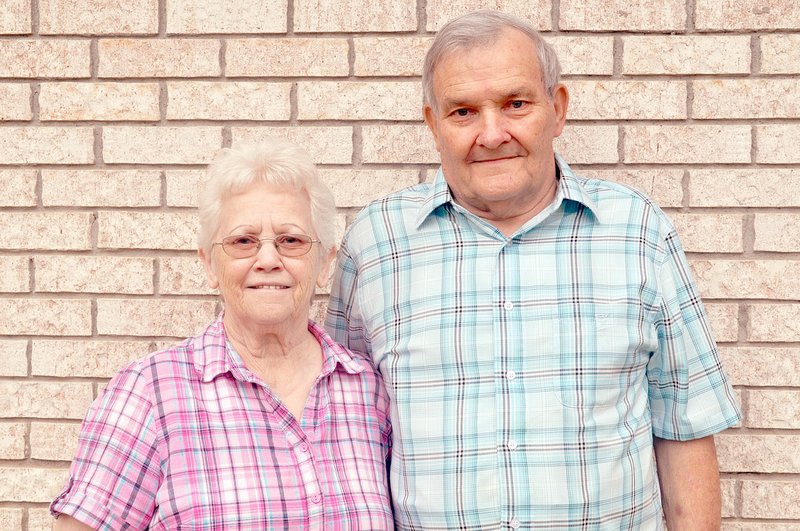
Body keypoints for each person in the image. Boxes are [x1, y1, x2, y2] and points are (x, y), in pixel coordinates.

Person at [325, 10, 741, 530]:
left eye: (515, 104)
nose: (492, 133)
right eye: (462, 112)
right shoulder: (376, 245)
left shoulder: (637, 233)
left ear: (557, 109)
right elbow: (345, 427)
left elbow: (685, 427)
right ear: (433, 125)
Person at [51, 141, 393, 530]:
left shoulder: (368, 391)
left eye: (291, 240)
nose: (268, 260)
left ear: (323, 262)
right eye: (243, 241)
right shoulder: (150, 393)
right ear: (210, 264)